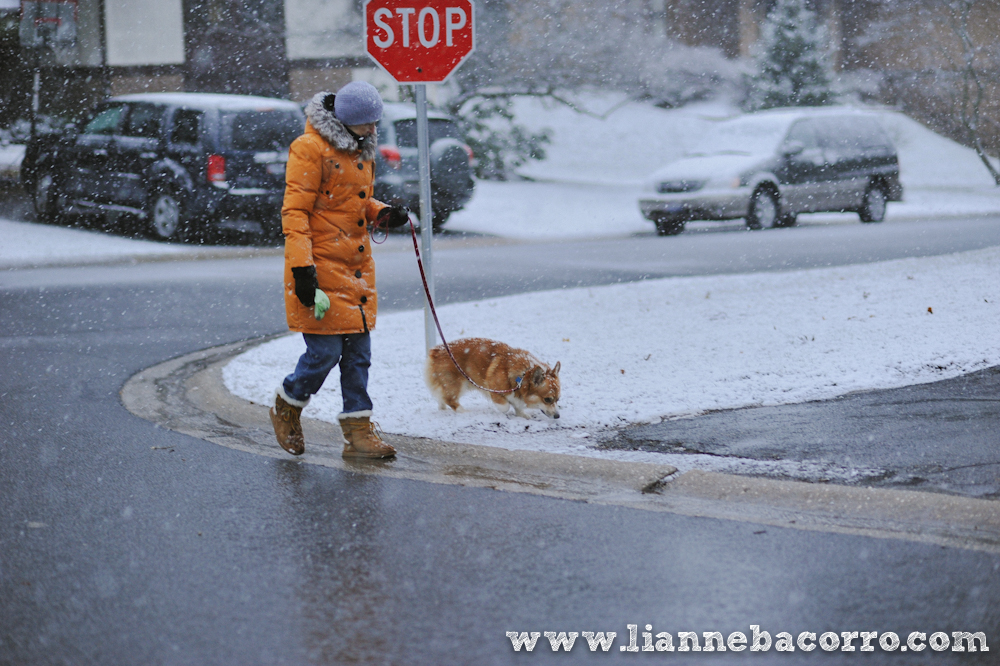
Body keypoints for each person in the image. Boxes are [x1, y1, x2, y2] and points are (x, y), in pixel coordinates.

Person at [269, 81, 409, 459]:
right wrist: (302, 269)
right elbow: (295, 212)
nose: (372, 130)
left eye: (375, 123)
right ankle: (287, 404)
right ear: (345, 121)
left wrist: (382, 212)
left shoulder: (363, 150)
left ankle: (358, 433)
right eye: (366, 123)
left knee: (358, 356)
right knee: (324, 353)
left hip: (356, 268)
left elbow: (351, 202)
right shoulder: (309, 148)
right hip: (318, 267)